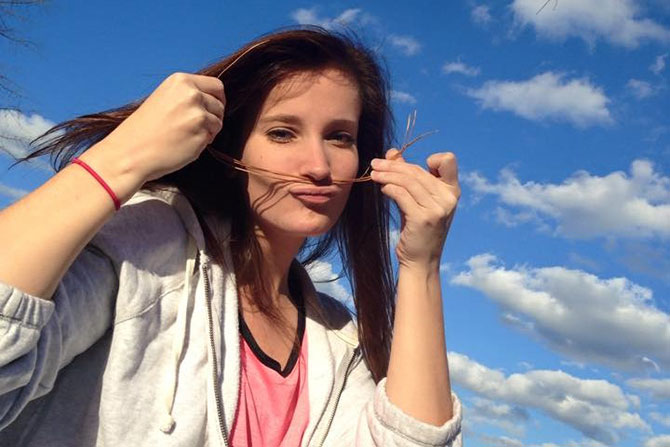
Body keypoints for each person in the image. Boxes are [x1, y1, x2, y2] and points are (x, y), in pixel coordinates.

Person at [0, 27, 462, 446]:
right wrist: (123, 156)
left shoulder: (338, 340)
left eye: (340, 137)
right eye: (283, 133)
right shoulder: (145, 249)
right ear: (231, 146)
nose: (319, 166)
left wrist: (421, 266)